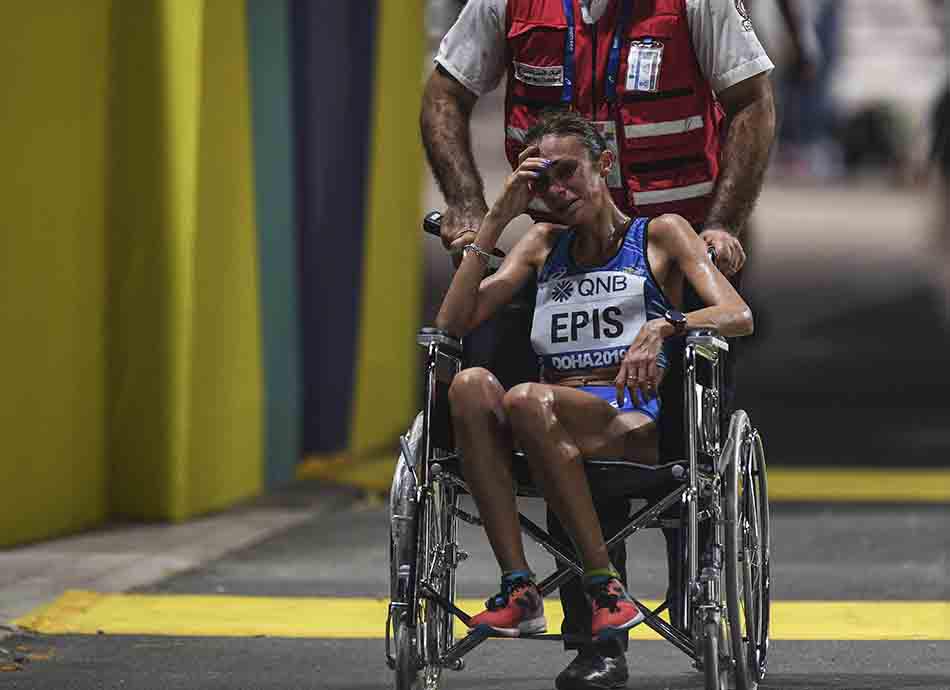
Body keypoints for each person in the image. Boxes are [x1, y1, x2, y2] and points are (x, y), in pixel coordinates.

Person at [420, 2, 774, 686]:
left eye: (568, 174)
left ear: (598, 167)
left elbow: (752, 101)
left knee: (666, 433)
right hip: (565, 378)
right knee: (508, 394)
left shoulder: (692, 8)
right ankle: (561, 613)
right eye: (543, 177)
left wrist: (722, 229)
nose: (555, 187)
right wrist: (481, 212)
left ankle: (691, 578)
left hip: (670, 259)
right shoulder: (542, 237)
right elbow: (445, 92)